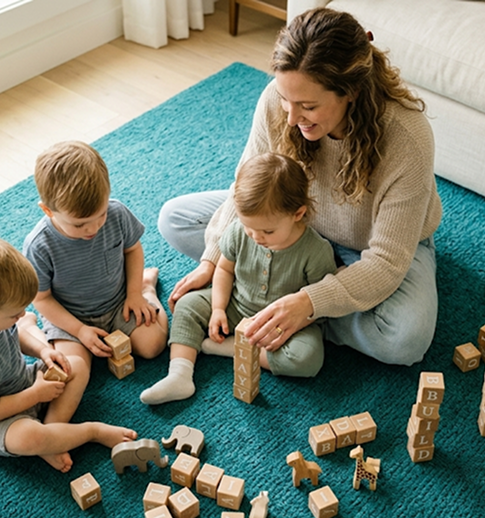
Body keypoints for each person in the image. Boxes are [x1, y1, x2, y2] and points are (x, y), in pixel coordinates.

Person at [159, 8, 442, 366]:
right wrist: (213, 258)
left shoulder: (407, 138)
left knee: (404, 339)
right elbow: (244, 184)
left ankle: (285, 305)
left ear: (351, 91)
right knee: (176, 219)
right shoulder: (278, 104)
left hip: (369, 245)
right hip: (290, 224)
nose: (291, 119)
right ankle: (290, 299)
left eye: (308, 106)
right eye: (285, 99)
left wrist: (309, 303)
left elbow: (386, 263)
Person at [140, 153, 338, 405]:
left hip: (282, 325)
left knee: (307, 357)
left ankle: (224, 347)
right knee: (187, 305)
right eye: (249, 227)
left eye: (267, 231)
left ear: (298, 214)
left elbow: (318, 303)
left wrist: (297, 323)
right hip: (236, 303)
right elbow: (224, 270)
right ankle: (179, 374)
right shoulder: (237, 232)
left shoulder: (316, 251)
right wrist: (218, 309)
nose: (256, 236)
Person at [0, 236, 137, 474]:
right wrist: (36, 394)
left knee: (76, 365)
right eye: (14, 314)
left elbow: (14, 335)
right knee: (28, 437)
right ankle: (89, 432)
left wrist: (42, 351)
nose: (21, 316)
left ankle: (52, 434)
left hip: (21, 383)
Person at [23, 140, 168, 369]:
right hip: (70, 316)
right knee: (73, 366)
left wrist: (134, 294)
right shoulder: (39, 246)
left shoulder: (117, 213)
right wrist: (79, 330)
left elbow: (133, 250)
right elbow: (41, 298)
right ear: (48, 211)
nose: (93, 229)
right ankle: (29, 330)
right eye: (79, 225)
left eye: (100, 216)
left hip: (119, 300)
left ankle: (146, 288)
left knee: (153, 345)